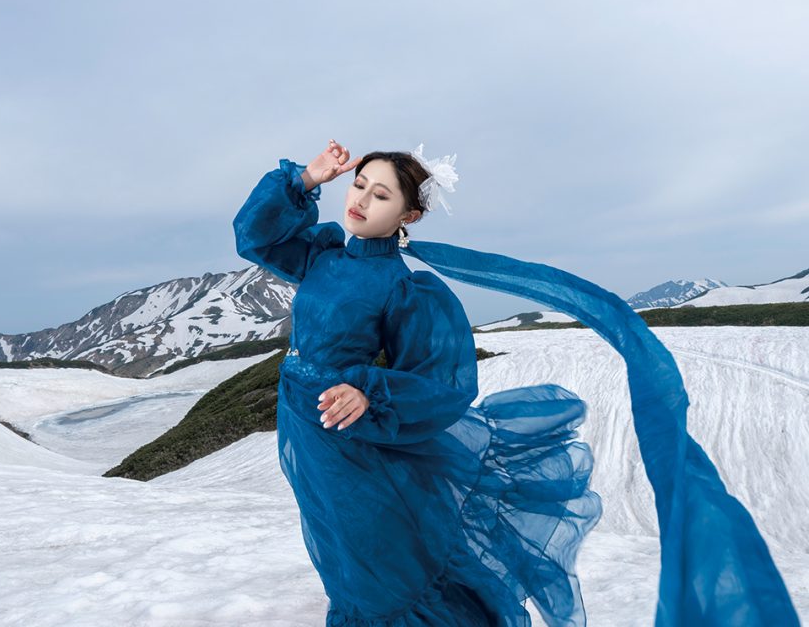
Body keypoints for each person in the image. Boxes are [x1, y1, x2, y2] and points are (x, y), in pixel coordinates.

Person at [232, 140, 798, 626]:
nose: (360, 200)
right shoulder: (322, 254)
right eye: (358, 185)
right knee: (338, 554)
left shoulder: (407, 290)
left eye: (381, 195)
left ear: (409, 215)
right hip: (308, 436)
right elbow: (253, 237)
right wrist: (306, 178)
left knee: (380, 565)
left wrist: (368, 390)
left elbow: (445, 383)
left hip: (358, 444)